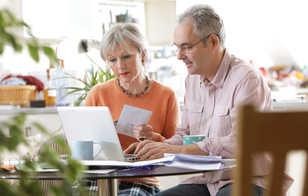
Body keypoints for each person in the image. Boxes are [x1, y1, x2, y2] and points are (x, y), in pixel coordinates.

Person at [124, 4, 294, 196]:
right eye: (177, 48)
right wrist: (159, 148)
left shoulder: (247, 80)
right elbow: (185, 134)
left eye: (186, 47)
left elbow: (241, 143)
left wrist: (177, 151)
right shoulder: (192, 80)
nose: (180, 56)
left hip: (250, 180)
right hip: (206, 180)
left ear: (212, 42)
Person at [84, 23, 180, 195]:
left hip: (140, 180)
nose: (120, 66)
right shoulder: (98, 93)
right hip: (98, 178)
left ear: (142, 55)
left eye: (126, 56)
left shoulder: (166, 95)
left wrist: (153, 138)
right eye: (112, 60)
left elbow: (175, 152)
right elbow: (82, 142)